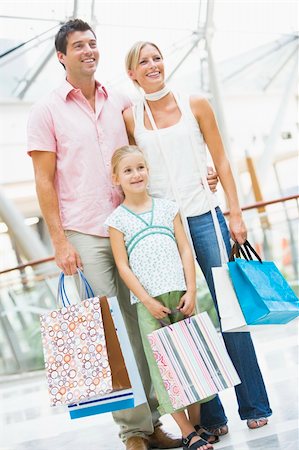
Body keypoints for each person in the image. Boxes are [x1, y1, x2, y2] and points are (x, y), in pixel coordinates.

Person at [26, 20, 217, 450]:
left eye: (93, 44)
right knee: (111, 328)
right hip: (87, 230)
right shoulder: (46, 111)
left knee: (145, 325)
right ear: (62, 56)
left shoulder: (121, 101)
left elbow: (151, 148)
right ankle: (133, 431)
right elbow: (42, 180)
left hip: (133, 227)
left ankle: (154, 423)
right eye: (79, 46)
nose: (89, 51)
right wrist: (59, 240)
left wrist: (199, 167)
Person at [123, 41, 272, 436]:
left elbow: (221, 158)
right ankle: (212, 416)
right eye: (144, 62)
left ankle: (254, 404)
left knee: (230, 315)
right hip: (165, 230)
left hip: (206, 218)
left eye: (157, 58)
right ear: (132, 74)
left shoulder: (195, 103)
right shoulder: (130, 117)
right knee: (185, 320)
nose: (153, 65)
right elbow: (131, 167)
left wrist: (234, 211)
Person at [105, 144, 214, 450]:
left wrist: (191, 290)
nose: (136, 174)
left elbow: (184, 248)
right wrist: (148, 301)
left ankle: (196, 426)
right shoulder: (117, 221)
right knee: (164, 368)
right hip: (148, 305)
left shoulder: (168, 208)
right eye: (128, 170)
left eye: (140, 167)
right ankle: (187, 433)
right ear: (116, 178)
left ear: (149, 171)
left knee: (193, 362)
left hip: (181, 296)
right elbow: (123, 267)